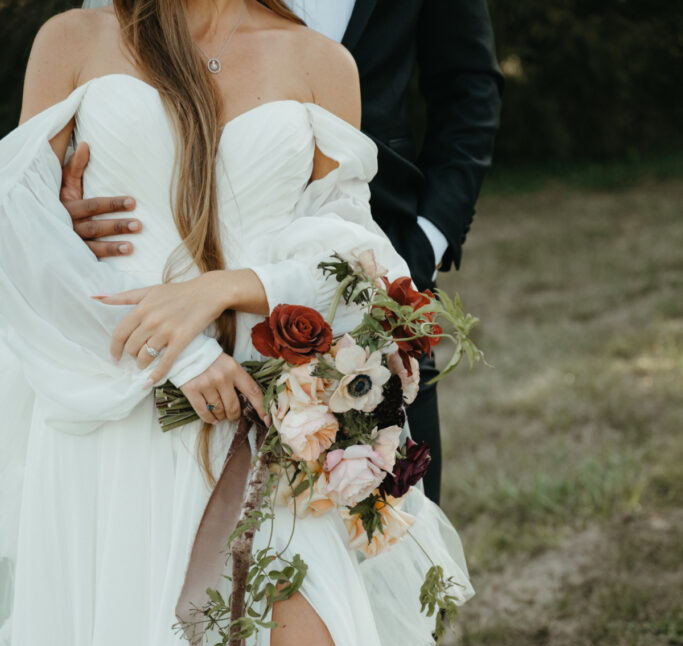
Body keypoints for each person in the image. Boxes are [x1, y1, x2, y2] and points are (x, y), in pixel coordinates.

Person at [0, 2, 630, 646]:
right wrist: (175, 345)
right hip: (116, 442)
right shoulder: (72, 40)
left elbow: (357, 264)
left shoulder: (316, 61)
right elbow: (19, 240)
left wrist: (235, 291)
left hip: (262, 439)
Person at [59, 0, 504, 504]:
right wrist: (55, 215)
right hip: (128, 363)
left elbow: (469, 87)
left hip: (337, 297)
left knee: (368, 521)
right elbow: (28, 221)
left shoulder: (316, 60)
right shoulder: (81, 41)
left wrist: (422, 244)